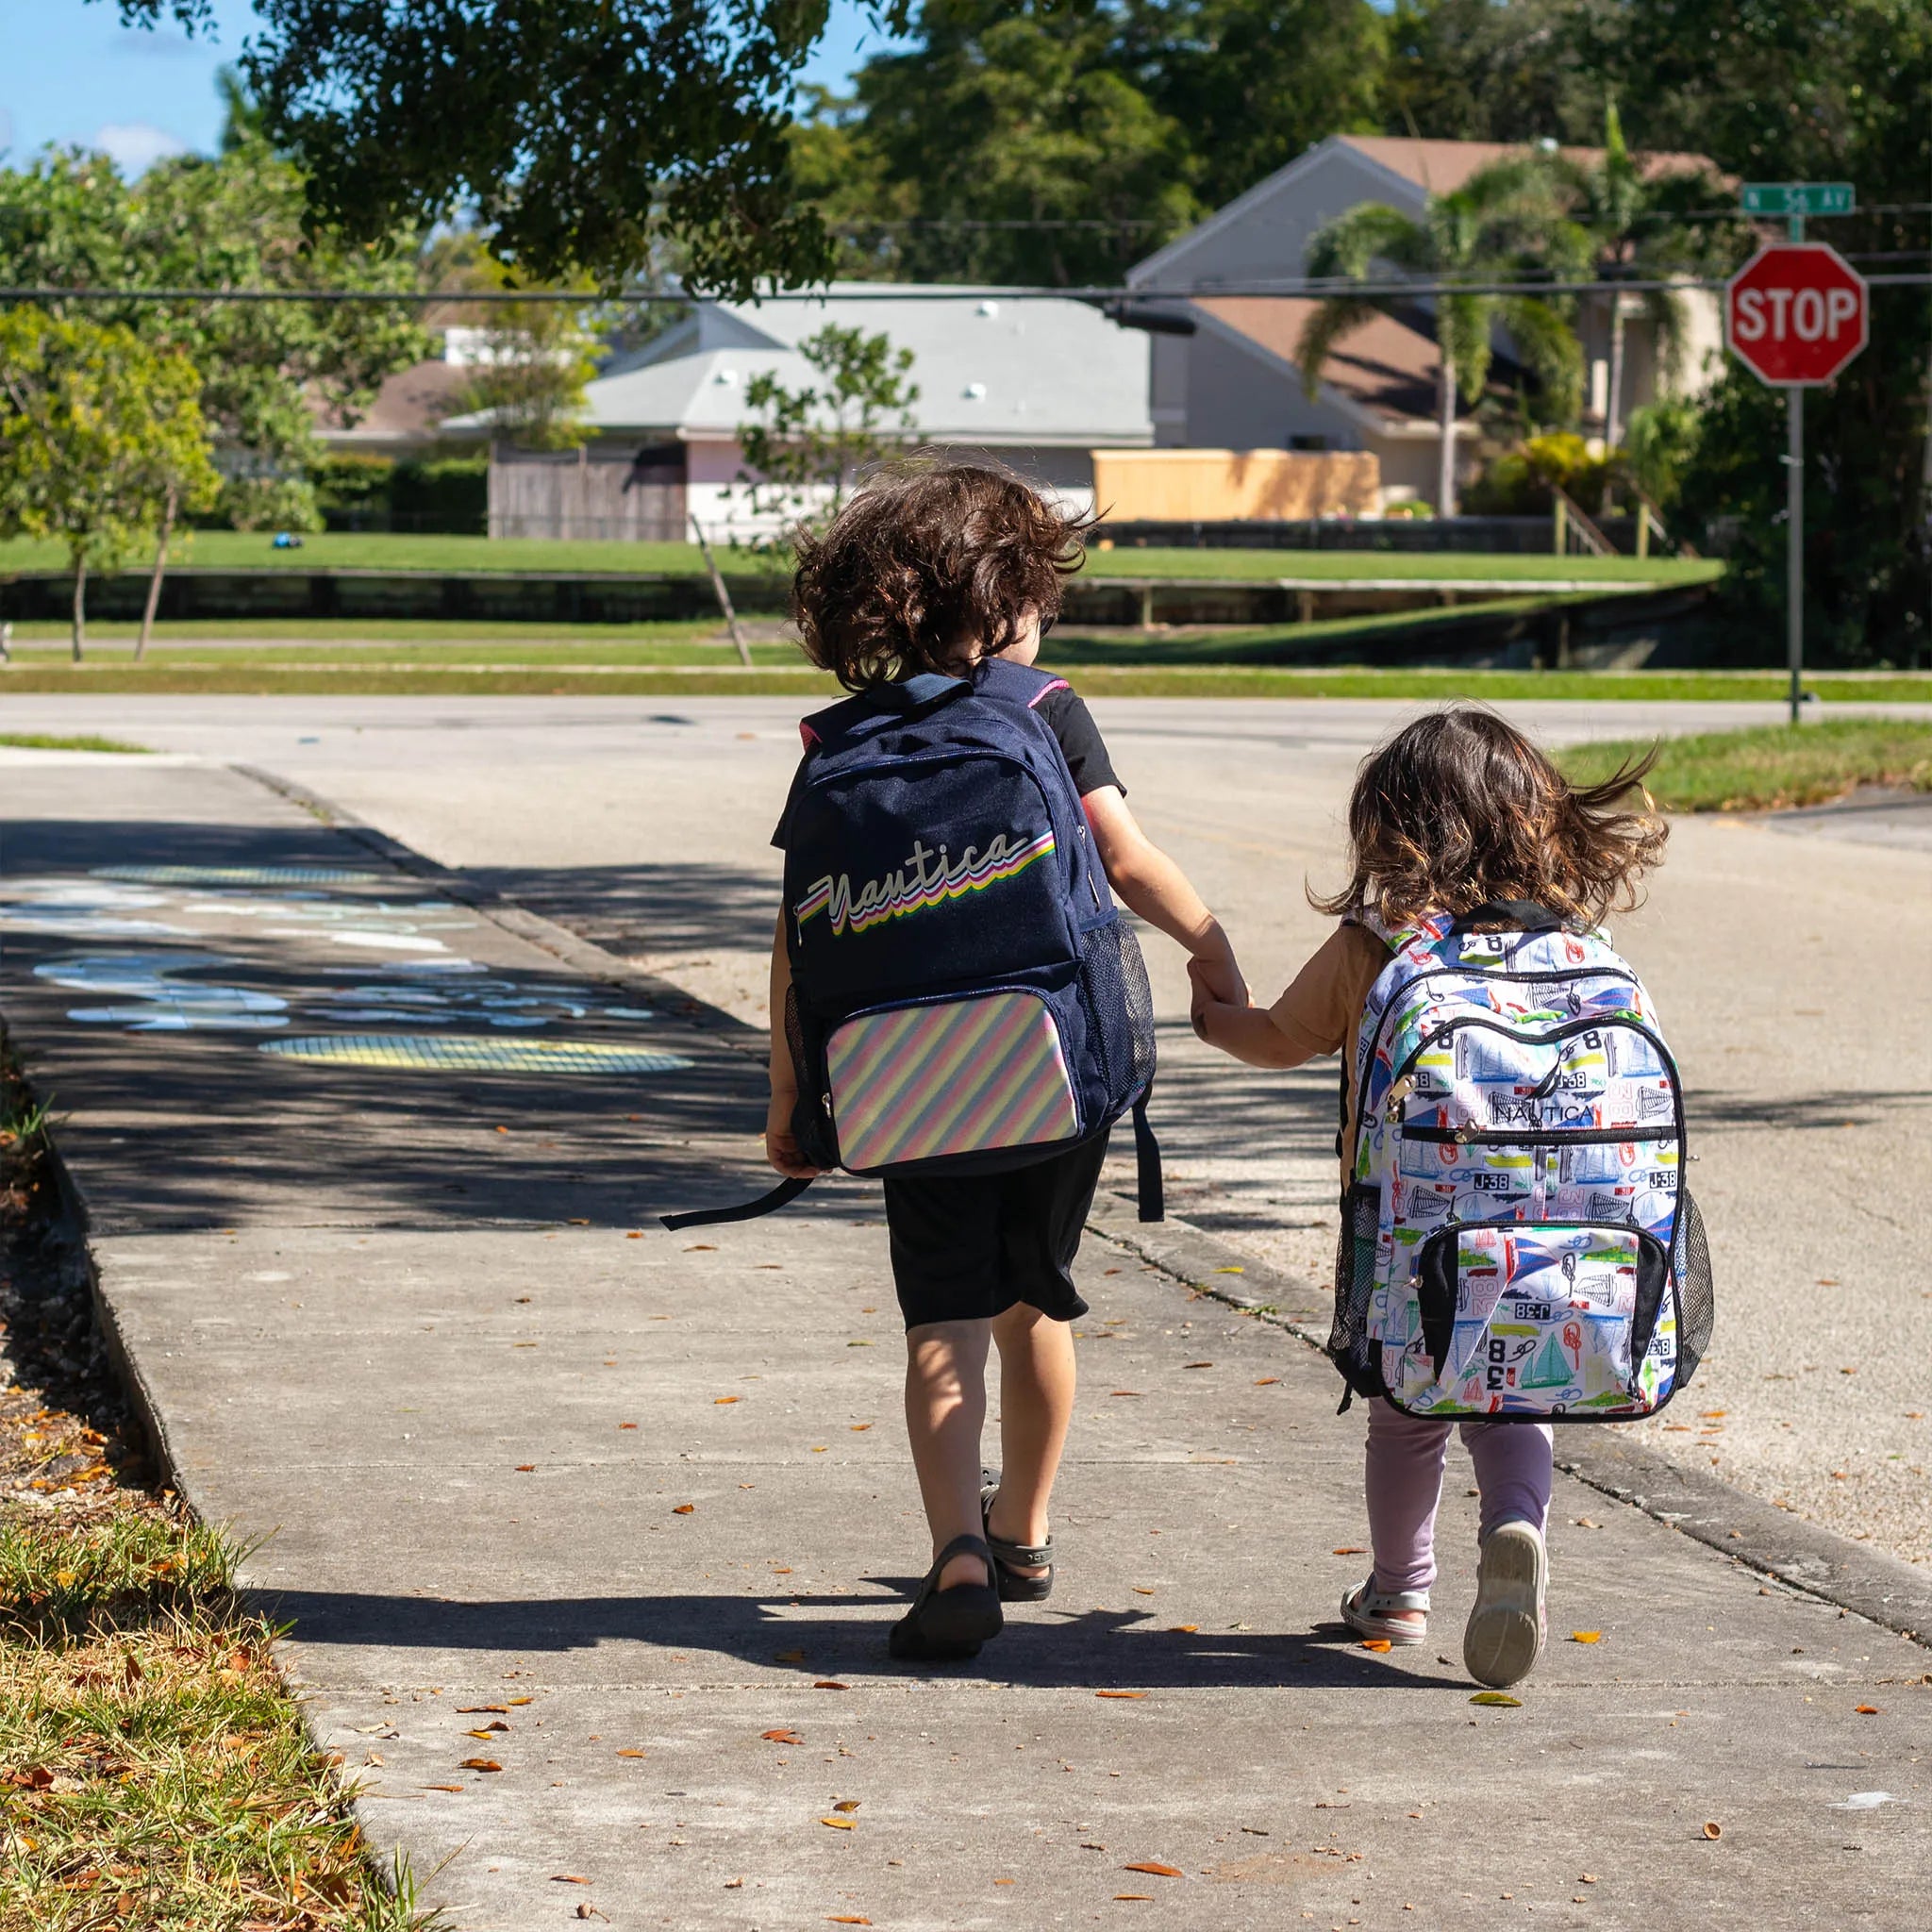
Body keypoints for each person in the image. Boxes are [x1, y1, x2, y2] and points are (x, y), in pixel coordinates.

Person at [765, 461, 1245, 1661]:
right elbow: (1123, 857)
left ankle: (957, 1554)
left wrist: (787, 1093)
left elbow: (795, 929)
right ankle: (1023, 1528)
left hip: (898, 1078)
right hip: (1049, 1071)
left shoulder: (837, 738)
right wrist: (1209, 943)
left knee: (941, 1320)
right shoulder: (1041, 708)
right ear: (1009, 597)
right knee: (1034, 1296)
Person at [1188, 708, 1667, 1689]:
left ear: (1392, 825)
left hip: (1419, 1233)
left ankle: (1399, 1589)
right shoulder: (1576, 940)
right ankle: (1512, 1529)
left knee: (1408, 1407)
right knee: (1512, 1393)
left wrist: (1213, 1016)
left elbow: (1280, 1034)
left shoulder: (1377, 940)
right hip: (1566, 1237)